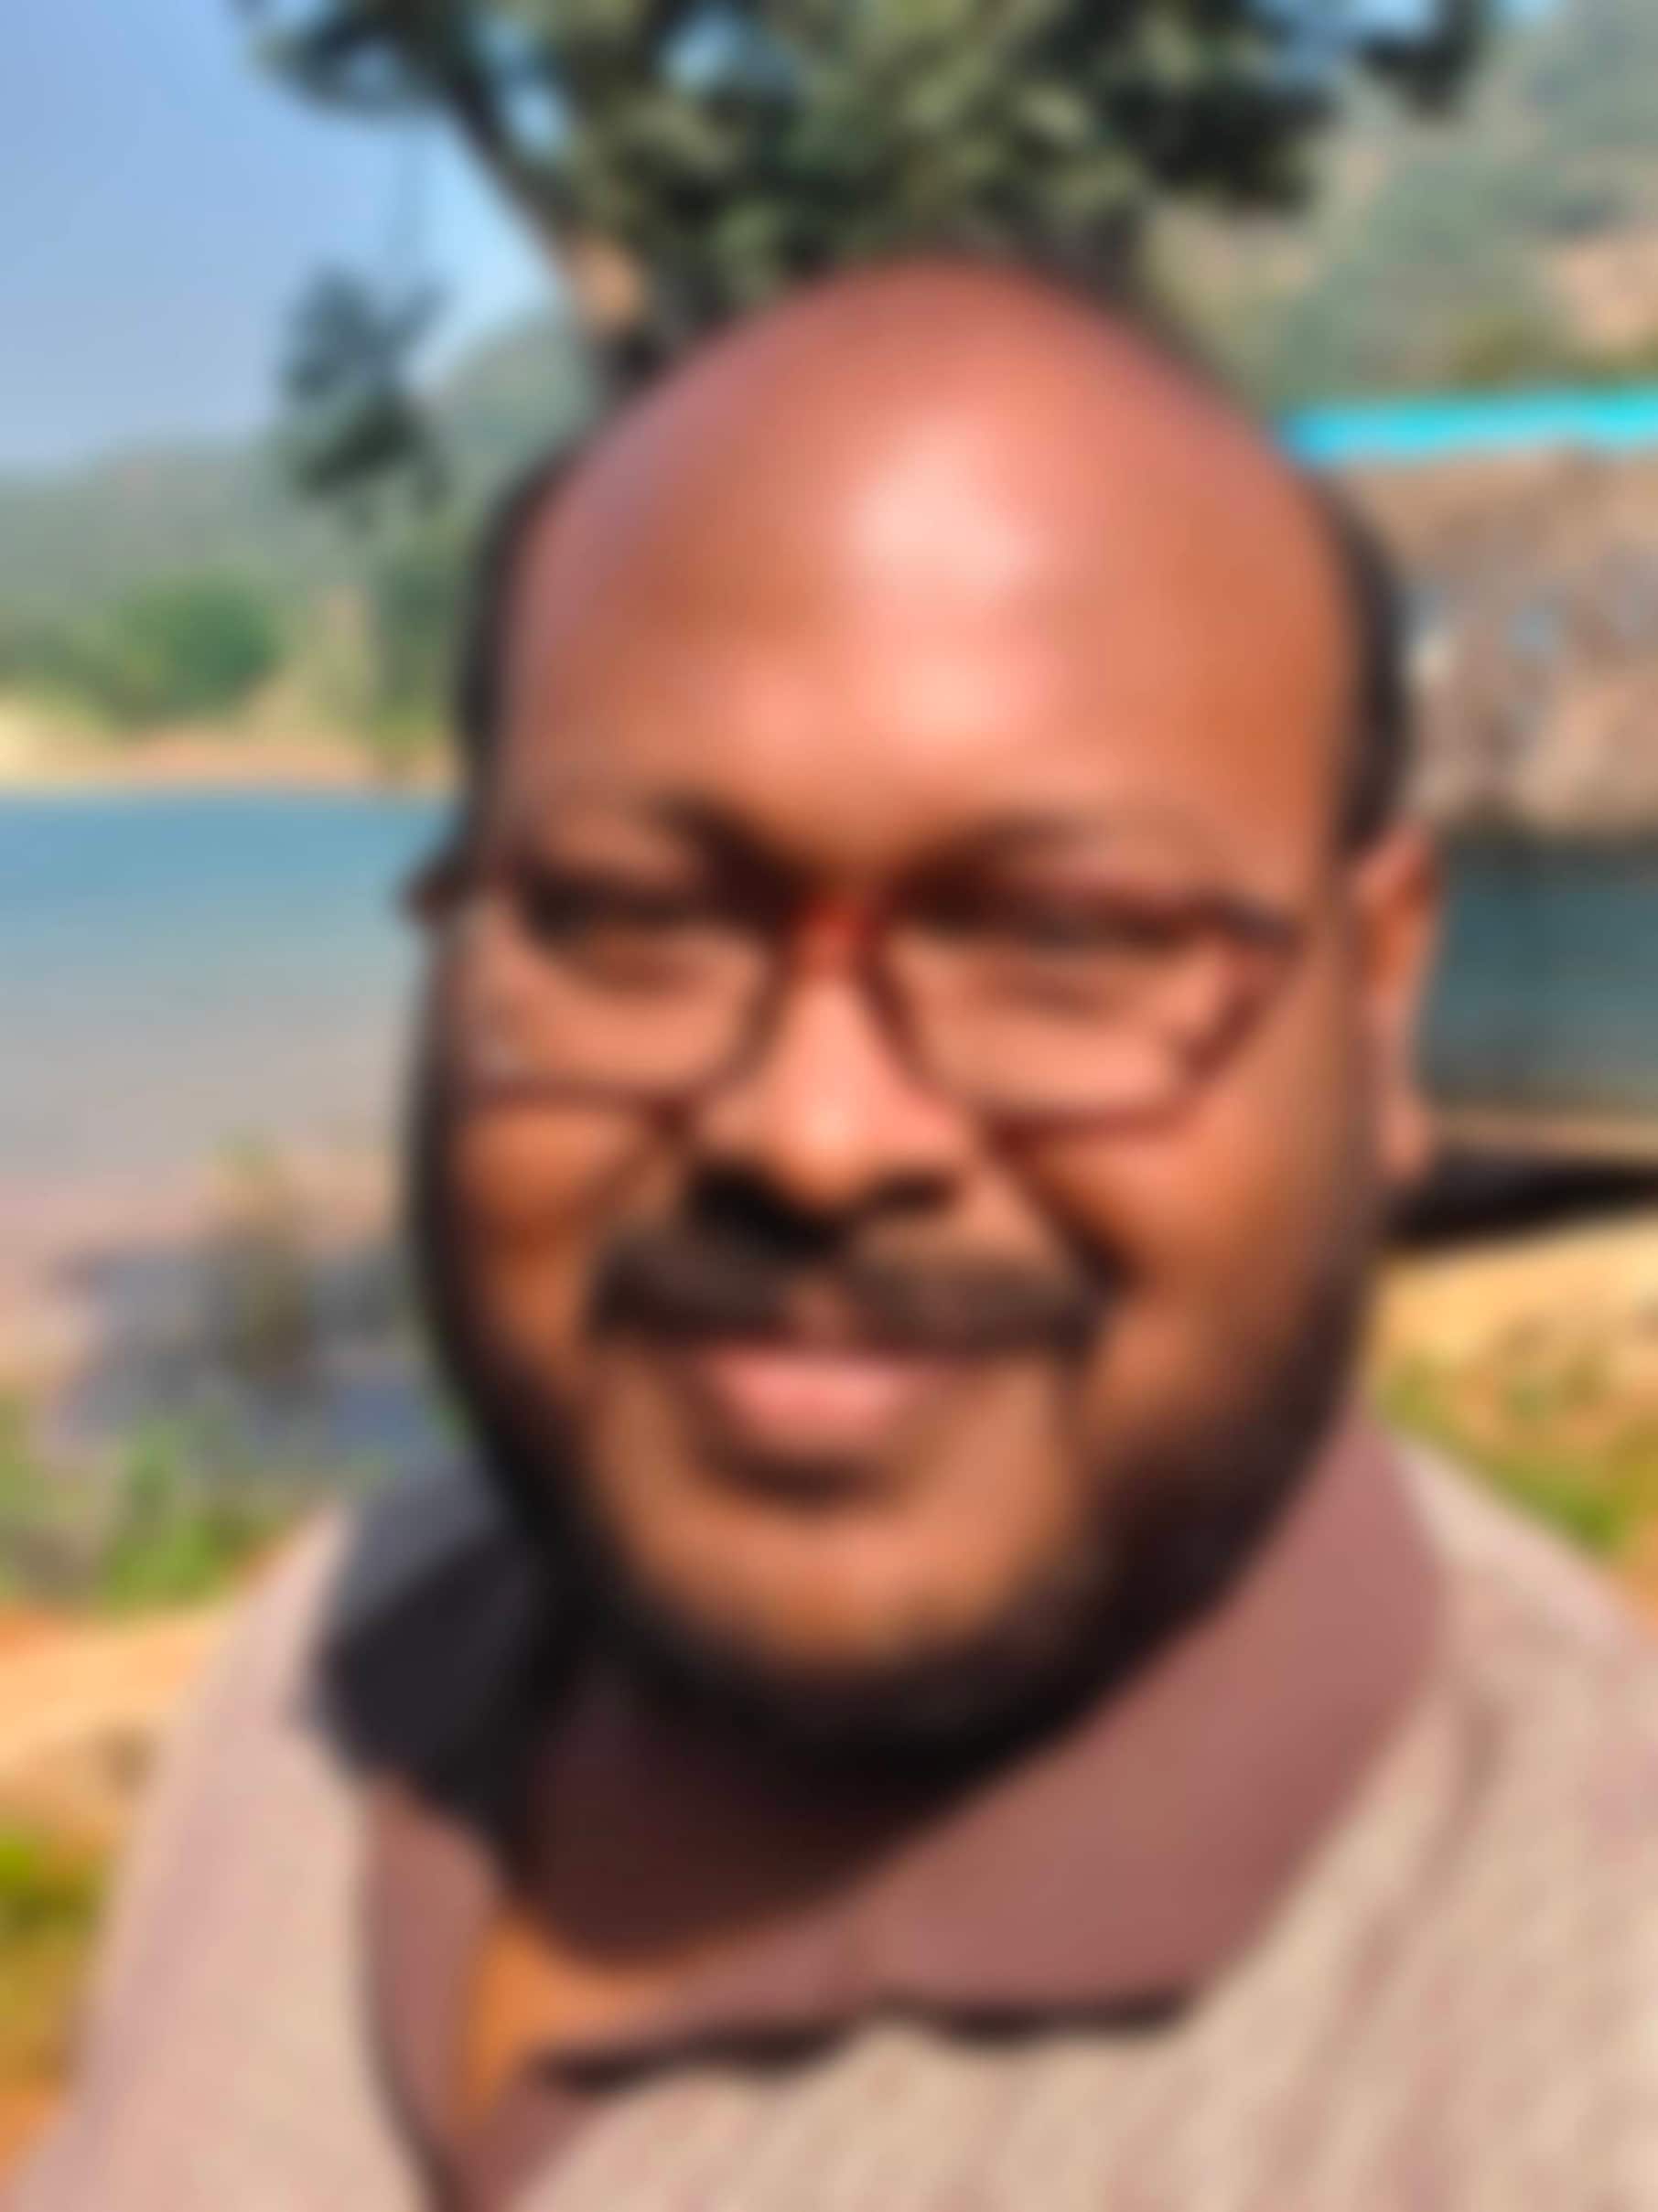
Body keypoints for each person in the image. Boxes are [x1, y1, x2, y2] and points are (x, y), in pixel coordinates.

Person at [14, 258, 1658, 2212]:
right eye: (633, 914)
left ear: (1379, 1000)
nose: (813, 1135)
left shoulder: (1571, 2041)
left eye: (1065, 938)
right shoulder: (332, 1667)